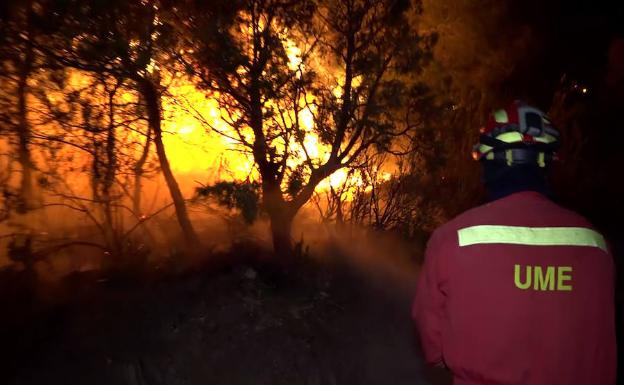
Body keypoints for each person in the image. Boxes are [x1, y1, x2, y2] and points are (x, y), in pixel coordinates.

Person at [412, 101, 616, 385]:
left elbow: (433, 349)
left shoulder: (451, 240)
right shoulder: (597, 245)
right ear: (547, 164)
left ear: (489, 163)